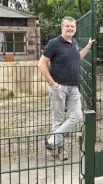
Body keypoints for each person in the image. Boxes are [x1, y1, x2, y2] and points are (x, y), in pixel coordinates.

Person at [38, 16, 96, 160]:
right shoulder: (54, 43)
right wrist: (53, 84)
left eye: (72, 26)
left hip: (73, 88)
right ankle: (57, 151)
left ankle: (51, 142)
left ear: (75, 28)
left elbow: (78, 58)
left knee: (76, 117)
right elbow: (42, 64)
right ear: (62, 28)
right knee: (58, 119)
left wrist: (88, 47)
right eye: (67, 26)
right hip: (59, 87)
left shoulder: (74, 43)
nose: (70, 28)